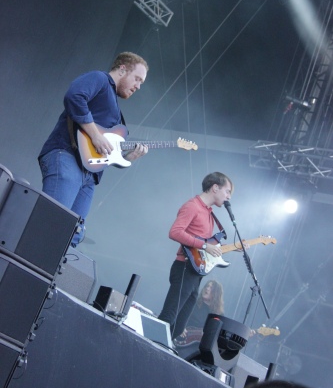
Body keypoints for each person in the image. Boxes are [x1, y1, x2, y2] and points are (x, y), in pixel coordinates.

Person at [38, 51, 149, 245]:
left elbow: (106, 153)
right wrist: (95, 135)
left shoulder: (116, 112)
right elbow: (74, 96)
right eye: (137, 79)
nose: (138, 86)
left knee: (72, 236)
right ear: (122, 70)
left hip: (89, 176)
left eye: (141, 82)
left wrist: (128, 158)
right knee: (52, 222)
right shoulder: (100, 78)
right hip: (67, 156)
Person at [158, 171, 233, 340]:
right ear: (215, 187)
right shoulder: (193, 206)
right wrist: (205, 246)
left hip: (194, 273)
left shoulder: (209, 213)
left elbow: (204, 245)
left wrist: (231, 248)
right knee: (168, 317)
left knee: (178, 327)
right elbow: (175, 232)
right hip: (184, 267)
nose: (228, 197)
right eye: (227, 191)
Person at [175, 280, 224, 345]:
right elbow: (177, 316)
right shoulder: (192, 303)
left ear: (216, 293)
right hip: (181, 340)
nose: (207, 288)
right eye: (207, 286)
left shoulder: (218, 315)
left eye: (211, 288)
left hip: (198, 347)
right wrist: (180, 327)